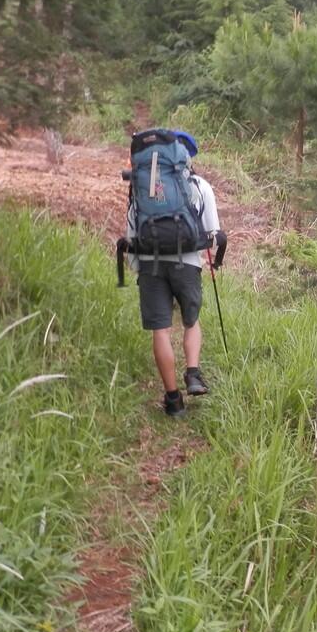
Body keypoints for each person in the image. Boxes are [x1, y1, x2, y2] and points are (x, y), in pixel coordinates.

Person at [124, 130, 223, 417]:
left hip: (150, 262)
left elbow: (132, 227)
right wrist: (213, 259)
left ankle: (173, 400)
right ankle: (193, 373)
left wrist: (137, 267)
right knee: (191, 322)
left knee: (161, 330)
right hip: (188, 262)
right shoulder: (199, 185)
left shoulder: (142, 185)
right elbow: (212, 231)